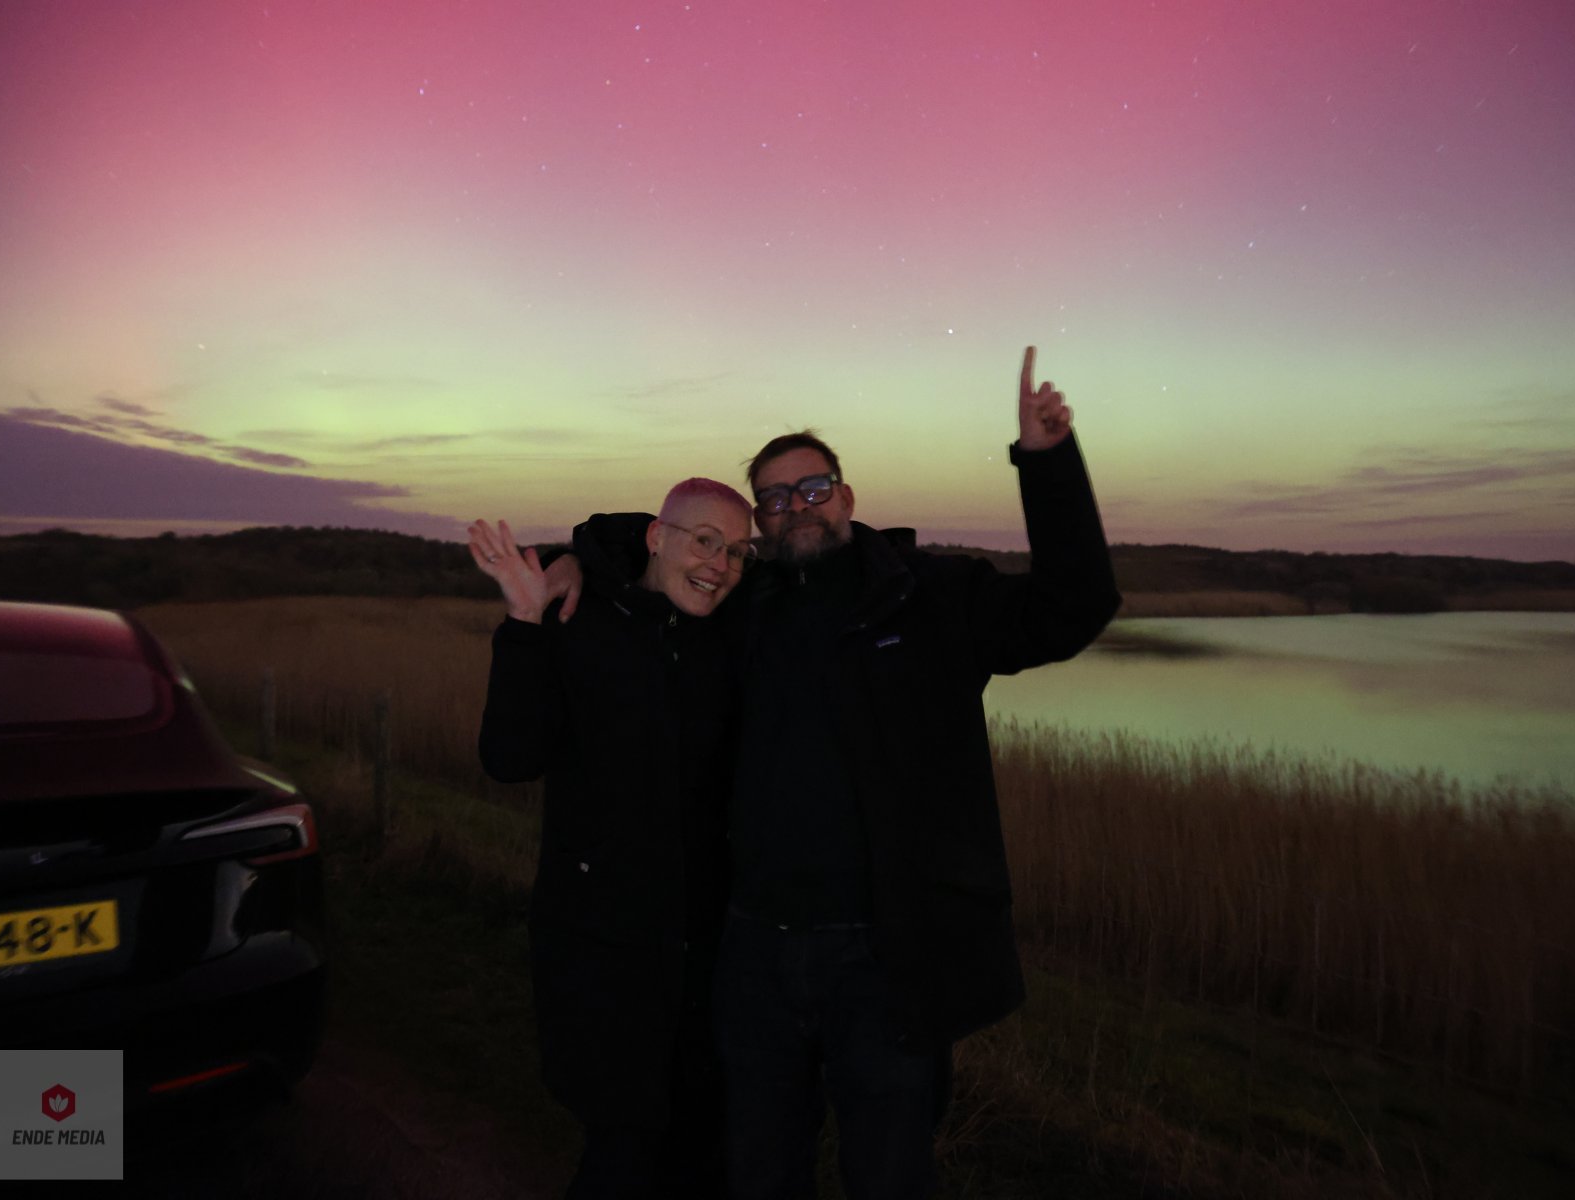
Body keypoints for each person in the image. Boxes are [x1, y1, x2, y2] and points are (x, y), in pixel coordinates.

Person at [548, 345, 1120, 1199]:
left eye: (812, 488)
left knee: (887, 1172)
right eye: (774, 500)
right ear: (762, 525)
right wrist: (578, 558)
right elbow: (666, 539)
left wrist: (1045, 462)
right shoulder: (743, 604)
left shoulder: (928, 599)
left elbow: (1073, 606)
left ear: (847, 498)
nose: (795, 508)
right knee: (760, 1169)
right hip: (754, 954)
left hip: (883, 962)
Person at [471, 477, 757, 1200]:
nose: (720, 565)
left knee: (705, 1152)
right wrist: (524, 623)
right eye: (704, 542)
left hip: (712, 961)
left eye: (736, 552)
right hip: (603, 954)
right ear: (657, 539)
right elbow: (509, 759)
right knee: (622, 1155)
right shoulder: (582, 622)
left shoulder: (734, 636)